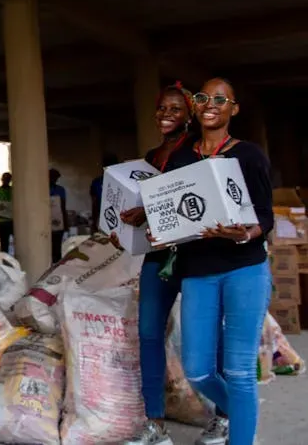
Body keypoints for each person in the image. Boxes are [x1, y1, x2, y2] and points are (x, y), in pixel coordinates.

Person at [122, 82, 229, 445]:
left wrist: (147, 212)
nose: (166, 115)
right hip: (159, 256)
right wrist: (125, 225)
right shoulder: (151, 157)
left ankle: (225, 418)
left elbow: (196, 202)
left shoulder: (198, 152)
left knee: (208, 338)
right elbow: (148, 204)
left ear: (189, 115)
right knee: (149, 334)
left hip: (196, 256)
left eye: (175, 109)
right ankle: (155, 424)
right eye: (161, 108)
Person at [177, 78, 272, 445]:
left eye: (221, 99)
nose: (210, 104)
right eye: (203, 98)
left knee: (239, 370)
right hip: (198, 272)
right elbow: (177, 212)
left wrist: (246, 233)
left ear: (234, 108)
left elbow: (265, 216)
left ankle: (242, 436)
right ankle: (244, 412)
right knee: (197, 370)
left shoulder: (249, 155)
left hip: (244, 269)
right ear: (196, 106)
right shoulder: (185, 158)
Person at [90, 152, 119, 233]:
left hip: (104, 218)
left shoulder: (96, 183)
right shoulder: (123, 181)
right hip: (119, 219)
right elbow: (95, 204)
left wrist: (93, 222)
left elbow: (94, 204)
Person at [49, 168, 69, 262]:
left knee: (57, 246)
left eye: (55, 178)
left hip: (58, 220)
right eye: (52, 177)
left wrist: (65, 223)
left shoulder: (60, 190)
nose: (54, 179)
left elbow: (63, 207)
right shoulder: (41, 190)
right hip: (46, 222)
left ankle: (57, 264)